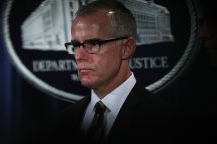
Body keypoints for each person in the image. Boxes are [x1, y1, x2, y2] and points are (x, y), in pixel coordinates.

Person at [51, 0, 176, 143]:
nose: (79, 56)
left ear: (126, 48)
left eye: (92, 44)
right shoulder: (65, 121)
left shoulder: (164, 121)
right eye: (75, 45)